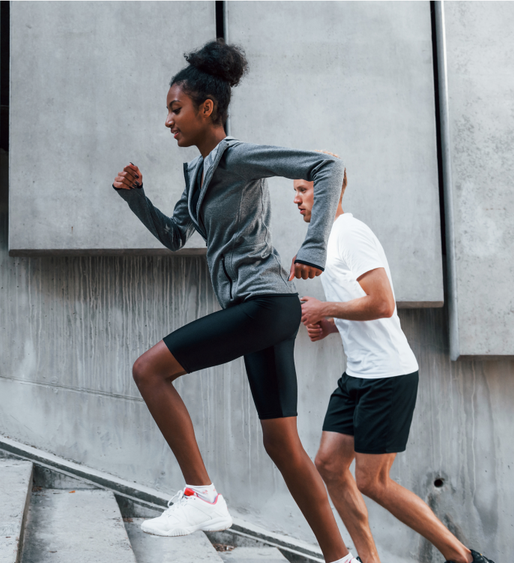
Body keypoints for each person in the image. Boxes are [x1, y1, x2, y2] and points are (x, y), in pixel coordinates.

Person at [112, 40, 358, 563]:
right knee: (282, 445)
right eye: (166, 112)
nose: (168, 121)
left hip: (265, 303)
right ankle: (341, 559)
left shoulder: (235, 156)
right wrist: (136, 198)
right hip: (263, 310)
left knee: (149, 371)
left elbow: (326, 167)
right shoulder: (196, 173)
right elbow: (176, 236)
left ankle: (202, 497)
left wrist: (313, 243)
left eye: (175, 110)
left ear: (207, 109)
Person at [295, 165, 495, 563]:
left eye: (303, 190)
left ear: (331, 191)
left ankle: (463, 557)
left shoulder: (351, 233)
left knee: (374, 481)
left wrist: (324, 307)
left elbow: (383, 302)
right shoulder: (328, 239)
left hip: (387, 375)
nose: (296, 199)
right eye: (295, 192)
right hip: (358, 374)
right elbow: (364, 304)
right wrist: (333, 324)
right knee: (330, 464)